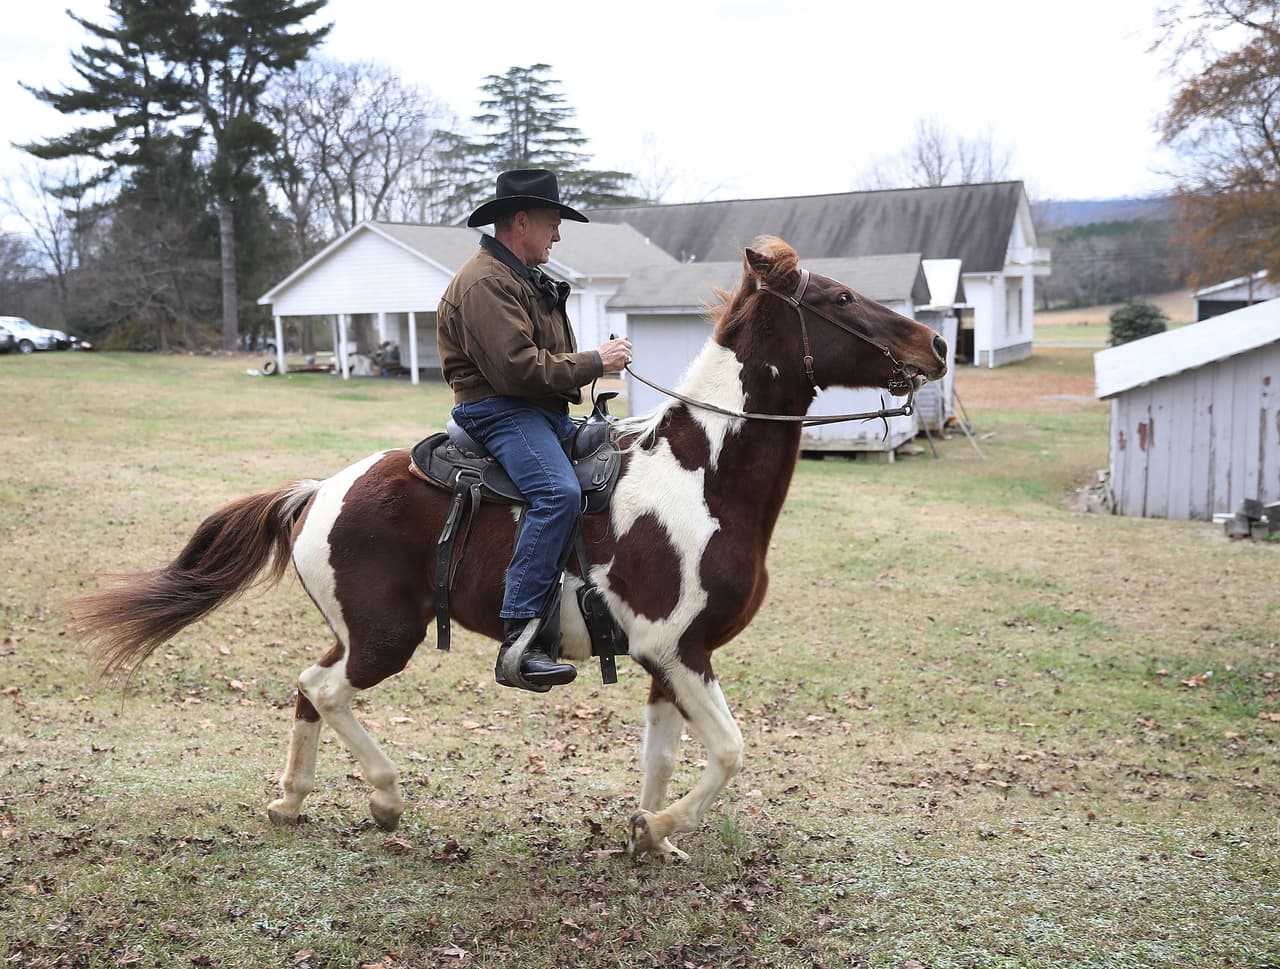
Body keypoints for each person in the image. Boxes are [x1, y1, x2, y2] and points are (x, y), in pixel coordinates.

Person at [436, 169, 633, 693]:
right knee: (557, 493)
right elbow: (518, 369)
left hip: (537, 412)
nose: (558, 235)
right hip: (501, 411)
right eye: (552, 223)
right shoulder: (483, 282)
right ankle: (520, 641)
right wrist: (597, 360)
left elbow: (540, 361)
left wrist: (590, 362)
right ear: (520, 222)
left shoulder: (520, 278)